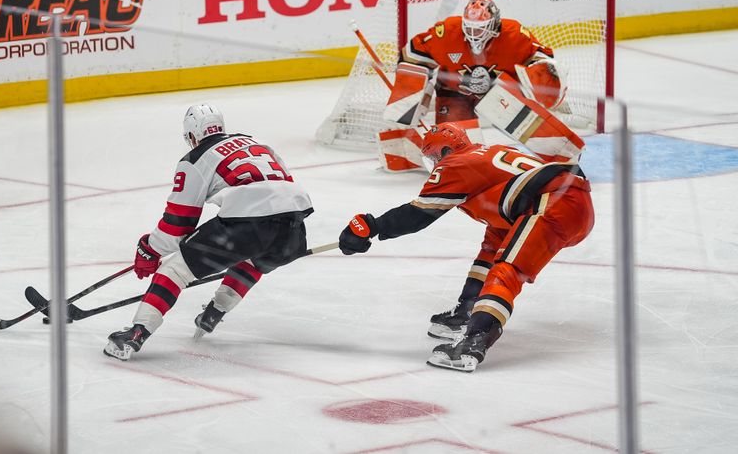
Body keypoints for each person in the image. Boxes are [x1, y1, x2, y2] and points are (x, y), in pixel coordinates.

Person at [339, 122, 593, 372]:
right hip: (553, 201)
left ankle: (474, 342)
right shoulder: (486, 153)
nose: (434, 164)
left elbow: (418, 215)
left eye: (434, 157)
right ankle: (467, 310)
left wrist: (372, 226)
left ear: (445, 151)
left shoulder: (456, 163)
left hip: (554, 203)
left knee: (506, 272)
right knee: (490, 251)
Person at [104, 104, 313, 361]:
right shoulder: (256, 142)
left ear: (192, 136)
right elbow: (282, 189)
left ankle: (136, 333)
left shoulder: (196, 158)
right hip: (294, 230)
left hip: (248, 225)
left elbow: (177, 226)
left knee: (175, 270)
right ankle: (214, 313)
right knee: (255, 257)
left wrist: (150, 248)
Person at [380, 0, 567, 172]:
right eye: (469, 27)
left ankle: (557, 151)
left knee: (525, 120)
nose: (473, 33)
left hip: (500, 95)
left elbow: (543, 61)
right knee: (459, 157)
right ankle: (401, 150)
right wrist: (417, 90)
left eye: (480, 28)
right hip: (454, 95)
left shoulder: (515, 35)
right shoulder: (447, 31)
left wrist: (539, 81)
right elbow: (413, 53)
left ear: (495, 24)